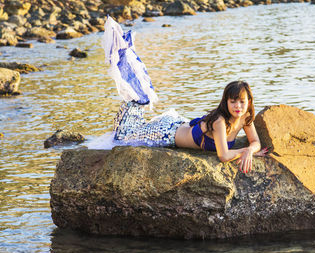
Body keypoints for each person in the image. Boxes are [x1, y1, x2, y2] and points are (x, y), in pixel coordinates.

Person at [91, 16, 269, 173]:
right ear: (226, 102)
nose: (238, 106)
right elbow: (223, 156)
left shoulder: (245, 117)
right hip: (165, 132)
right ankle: (123, 57)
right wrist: (245, 152)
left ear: (249, 101)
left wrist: (251, 150)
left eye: (242, 101)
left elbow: (256, 143)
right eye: (233, 101)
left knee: (131, 125)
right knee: (122, 136)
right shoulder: (220, 122)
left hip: (180, 124)